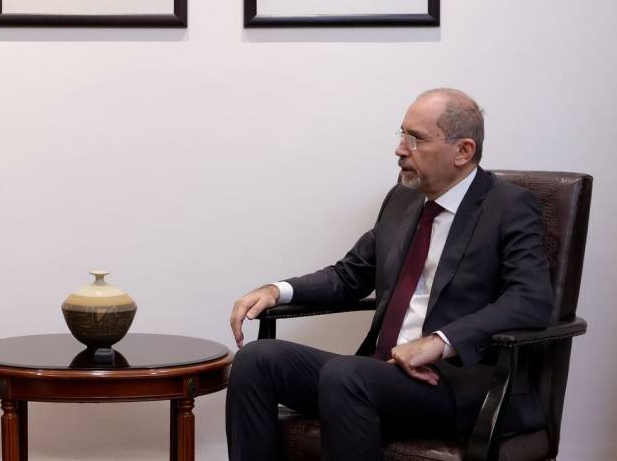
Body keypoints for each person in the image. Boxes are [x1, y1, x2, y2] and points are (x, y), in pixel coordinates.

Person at [226, 88, 553, 460]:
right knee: (257, 361)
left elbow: (530, 298)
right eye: (402, 135)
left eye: (416, 139)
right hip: (378, 374)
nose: (400, 149)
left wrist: (439, 341)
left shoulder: (508, 205)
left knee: (346, 375)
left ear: (463, 151)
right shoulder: (402, 199)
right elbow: (349, 275)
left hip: (453, 383)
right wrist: (276, 290)